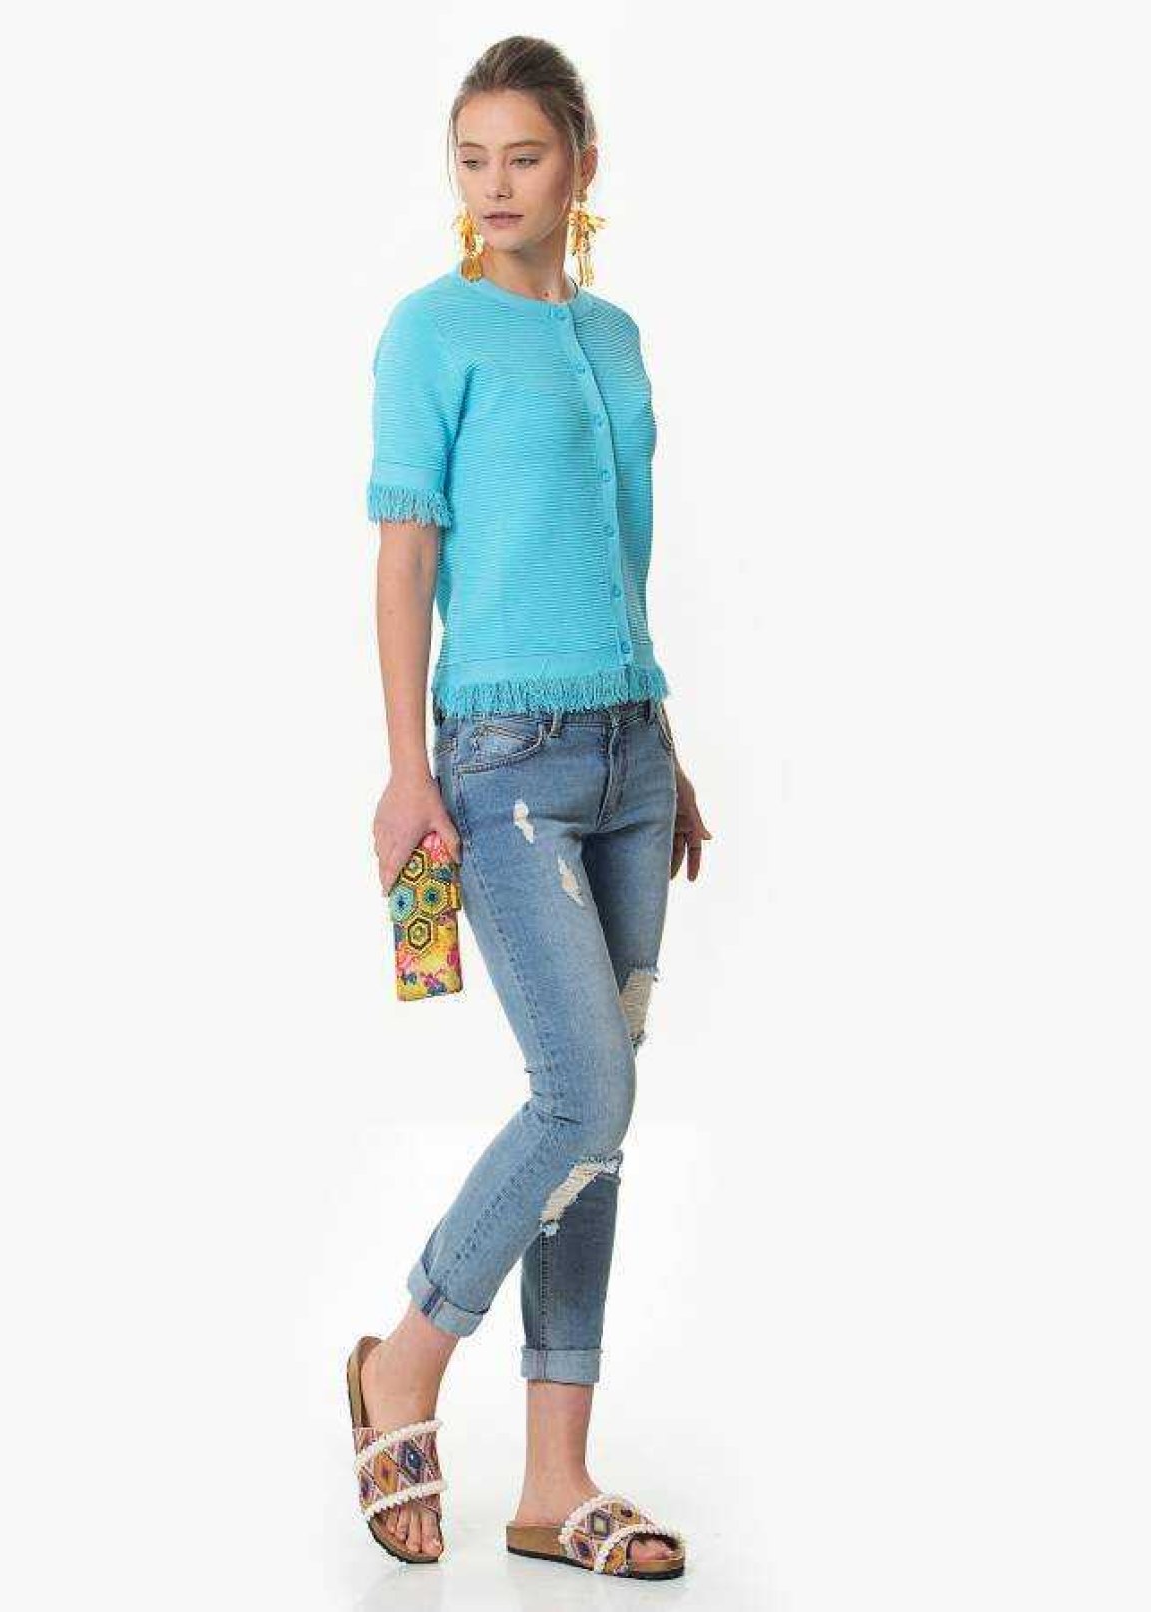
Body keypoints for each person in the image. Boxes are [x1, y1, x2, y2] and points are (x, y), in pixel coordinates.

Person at [353, 36, 712, 1578]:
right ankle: (405, 1358)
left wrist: (665, 741)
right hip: (500, 762)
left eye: (526, 155)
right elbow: (407, 556)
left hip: (629, 755)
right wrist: (407, 767)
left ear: (581, 163)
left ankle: (554, 1483)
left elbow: (617, 554)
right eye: (473, 157)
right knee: (585, 1089)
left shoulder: (615, 336)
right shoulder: (430, 332)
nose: (495, 185)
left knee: (596, 1127)